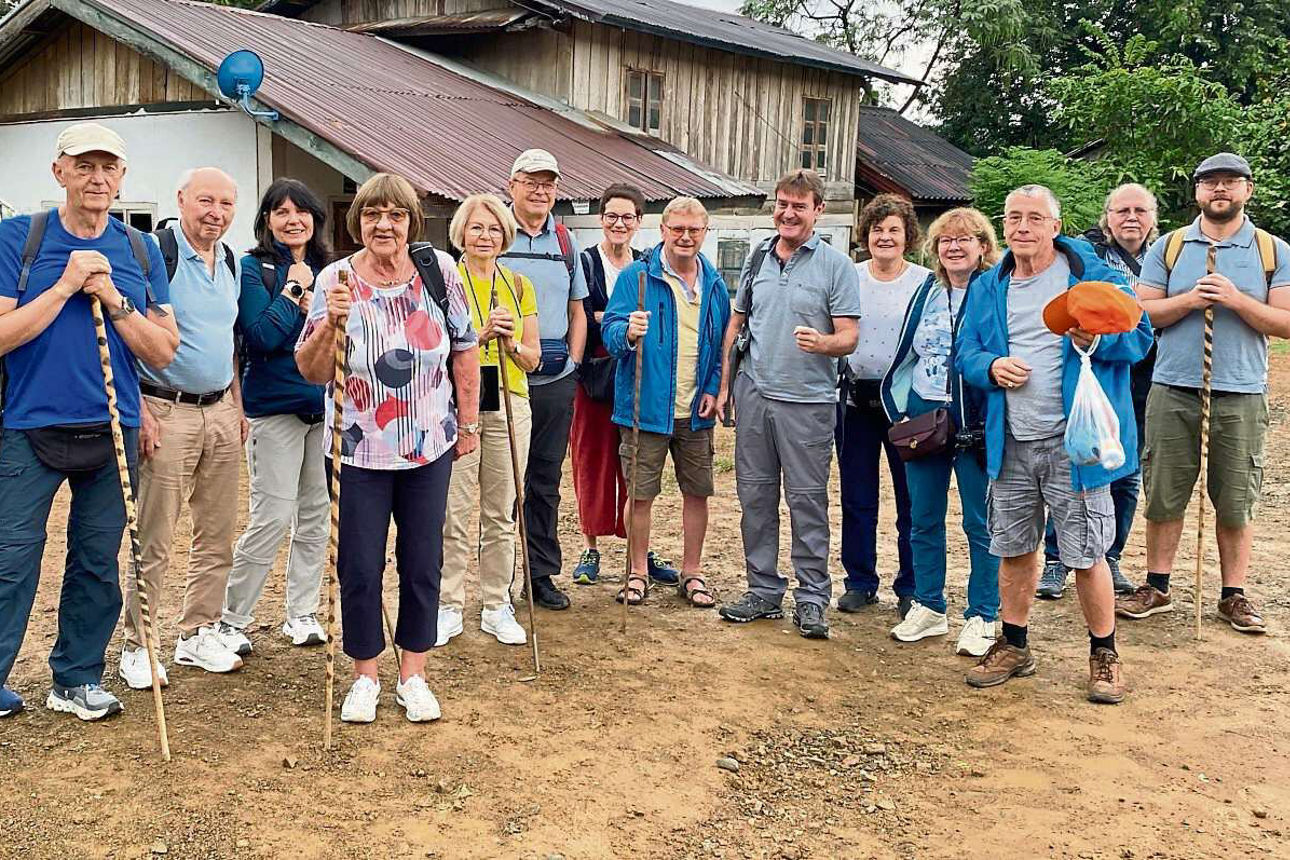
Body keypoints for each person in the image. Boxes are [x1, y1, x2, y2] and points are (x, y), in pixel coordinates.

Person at [0, 123, 177, 720]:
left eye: (109, 167)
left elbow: (161, 350)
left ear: (122, 177)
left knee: (98, 560)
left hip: (113, 425)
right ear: (60, 173)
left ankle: (76, 678)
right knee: (11, 557)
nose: (98, 178)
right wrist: (65, 286)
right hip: (28, 425)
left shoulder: (138, 250)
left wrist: (112, 300)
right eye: (84, 166)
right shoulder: (17, 239)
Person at [295, 173, 479, 724]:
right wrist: (331, 323)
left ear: (410, 221)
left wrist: (467, 425)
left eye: (395, 214)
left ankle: (414, 673)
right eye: (373, 214)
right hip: (358, 450)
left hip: (429, 446)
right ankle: (365, 675)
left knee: (423, 560)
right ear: (358, 221)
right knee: (359, 565)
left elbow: (465, 351)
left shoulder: (439, 271)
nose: (384, 224)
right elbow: (309, 369)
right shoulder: (337, 279)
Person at [956, 184, 1151, 704]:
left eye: (1035, 218)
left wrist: (1100, 340)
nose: (1023, 227)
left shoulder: (1097, 277)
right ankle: (1015, 644)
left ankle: (1104, 654)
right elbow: (966, 352)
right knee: (1015, 548)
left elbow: (1140, 338)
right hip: (1011, 440)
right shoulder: (987, 287)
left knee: (1088, 553)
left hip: (1076, 443)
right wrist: (991, 367)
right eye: (1014, 218)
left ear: (1055, 226)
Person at [1117, 153, 1290, 634]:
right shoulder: (1169, 247)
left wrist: (1235, 300)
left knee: (1235, 498)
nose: (1220, 190)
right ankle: (1157, 585)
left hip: (1241, 391)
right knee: (1164, 492)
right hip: (1172, 387)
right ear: (1196, 192)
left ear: (1247, 191)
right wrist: (1192, 299)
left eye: (1230, 182)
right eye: (1210, 182)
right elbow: (1141, 313)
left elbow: (1285, 322)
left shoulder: (1273, 251)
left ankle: (1233, 595)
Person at [715, 169, 861, 639]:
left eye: (799, 205)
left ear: (818, 211)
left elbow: (850, 336)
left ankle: (813, 598)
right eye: (782, 203)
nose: (788, 213)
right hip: (755, 394)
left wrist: (823, 343)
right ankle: (762, 590)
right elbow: (736, 328)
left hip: (808, 403)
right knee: (755, 498)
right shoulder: (758, 257)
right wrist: (725, 388)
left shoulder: (835, 266)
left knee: (806, 503)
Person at [119, 167, 248, 689]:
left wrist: (236, 405)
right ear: (181, 200)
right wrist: (141, 410)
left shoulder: (232, 261)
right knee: (155, 535)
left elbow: (229, 341)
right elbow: (126, 333)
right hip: (165, 410)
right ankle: (138, 643)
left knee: (217, 533)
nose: (215, 213)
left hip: (219, 410)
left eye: (225, 203)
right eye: (205, 201)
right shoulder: (154, 254)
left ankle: (198, 632)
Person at [218, 179, 331, 654]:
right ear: (266, 219)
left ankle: (301, 613)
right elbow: (260, 336)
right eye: (281, 212)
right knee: (271, 515)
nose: (292, 220)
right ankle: (232, 619)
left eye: (301, 211)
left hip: (324, 410)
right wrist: (291, 295)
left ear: (315, 219)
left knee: (317, 516)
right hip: (274, 412)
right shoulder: (251, 269)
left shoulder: (332, 269)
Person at [601, 196, 731, 607]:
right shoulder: (636, 278)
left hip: (695, 410)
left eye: (694, 230)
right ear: (662, 231)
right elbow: (610, 335)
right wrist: (627, 332)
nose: (685, 237)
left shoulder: (714, 283)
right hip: (646, 407)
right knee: (640, 494)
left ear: (705, 233)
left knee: (698, 491)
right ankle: (637, 571)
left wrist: (714, 387)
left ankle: (691, 572)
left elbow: (721, 344)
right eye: (678, 229)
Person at [881, 207, 1000, 656]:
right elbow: (907, 351)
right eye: (945, 240)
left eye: (964, 239)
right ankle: (929, 606)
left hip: (974, 414)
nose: (954, 246)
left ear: (982, 247)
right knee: (922, 515)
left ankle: (983, 614)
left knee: (980, 520)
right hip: (926, 413)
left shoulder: (994, 291)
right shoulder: (927, 292)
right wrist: (901, 407)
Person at [1038, 183, 1159, 598]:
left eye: (1139, 210)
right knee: (1073, 461)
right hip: (1093, 374)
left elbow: (1150, 323)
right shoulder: (1087, 259)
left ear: (1152, 218)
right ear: (1107, 217)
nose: (1131, 217)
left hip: (1145, 378)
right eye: (1121, 210)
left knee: (1124, 472)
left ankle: (1110, 556)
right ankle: (1057, 560)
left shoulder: (1163, 260)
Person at [439, 194, 539, 647]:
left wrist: (511, 344)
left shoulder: (518, 285)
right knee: (453, 511)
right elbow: (429, 352)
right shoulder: (443, 283)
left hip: (508, 400)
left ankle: (498, 603)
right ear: (461, 232)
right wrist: (474, 337)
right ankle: (448, 604)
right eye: (477, 228)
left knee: (500, 510)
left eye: (495, 229)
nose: (486, 237)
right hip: (455, 404)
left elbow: (535, 358)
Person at [569, 184, 678, 586]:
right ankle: (591, 548)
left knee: (636, 465)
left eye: (627, 217)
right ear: (601, 219)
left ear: (639, 222)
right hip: (595, 379)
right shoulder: (584, 263)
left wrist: (605, 316)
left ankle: (639, 552)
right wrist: (608, 318)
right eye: (611, 216)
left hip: (637, 376)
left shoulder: (648, 265)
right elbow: (577, 313)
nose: (619, 223)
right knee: (592, 461)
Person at [500, 150, 589, 611]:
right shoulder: (493, 233)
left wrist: (573, 362)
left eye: (548, 184)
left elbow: (578, 309)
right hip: (503, 376)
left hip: (554, 377)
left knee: (545, 480)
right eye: (531, 182)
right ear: (512, 184)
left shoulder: (564, 240)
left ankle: (540, 574)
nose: (540, 191)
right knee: (502, 482)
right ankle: (500, 581)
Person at [837, 194, 927, 617]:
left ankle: (911, 584)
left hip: (906, 406)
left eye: (893, 229)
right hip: (856, 399)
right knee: (858, 496)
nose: (884, 237)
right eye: (877, 229)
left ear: (907, 235)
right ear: (865, 235)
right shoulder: (848, 277)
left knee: (912, 499)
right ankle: (859, 580)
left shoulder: (926, 283)